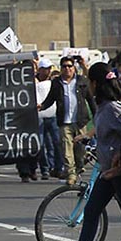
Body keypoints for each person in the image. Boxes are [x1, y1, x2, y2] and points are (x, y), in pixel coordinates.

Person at [48, 63, 121, 241]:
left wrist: (119, 158)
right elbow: (107, 133)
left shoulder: (113, 107)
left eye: (89, 82)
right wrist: (91, 140)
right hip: (108, 172)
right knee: (92, 211)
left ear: (95, 83)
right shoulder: (103, 106)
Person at [38, 57, 93, 185]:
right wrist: (42, 106)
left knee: (80, 151)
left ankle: (78, 167)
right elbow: (51, 99)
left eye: (69, 66)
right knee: (66, 149)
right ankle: (71, 174)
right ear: (61, 68)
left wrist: (97, 115)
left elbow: (90, 99)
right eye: (64, 66)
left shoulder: (81, 81)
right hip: (64, 121)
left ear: (74, 68)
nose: (67, 69)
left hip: (80, 121)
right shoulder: (57, 82)